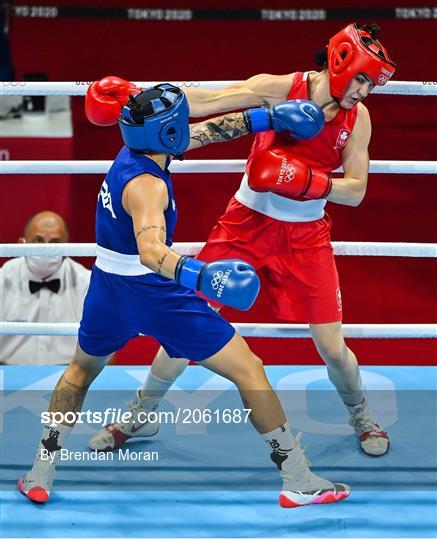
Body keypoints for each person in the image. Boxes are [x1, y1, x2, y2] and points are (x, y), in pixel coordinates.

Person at [18, 80, 349, 508]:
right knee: (248, 369)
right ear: (166, 133)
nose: (188, 122)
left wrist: (268, 118)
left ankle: (40, 472)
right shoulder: (149, 187)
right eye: (179, 120)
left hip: (107, 287)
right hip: (154, 290)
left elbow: (207, 131)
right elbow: (152, 251)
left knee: (81, 371)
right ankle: (298, 478)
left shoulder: (138, 151)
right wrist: (201, 276)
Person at [90, 23, 394, 457]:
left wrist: (304, 180)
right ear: (341, 63)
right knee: (187, 324)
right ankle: (141, 413)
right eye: (363, 78)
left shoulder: (357, 119)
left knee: (331, 344)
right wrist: (139, 97)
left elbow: (357, 189)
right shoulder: (280, 88)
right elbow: (210, 101)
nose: (365, 91)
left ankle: (361, 414)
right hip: (245, 224)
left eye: (371, 83)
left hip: (307, 234)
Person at [0, 211, 90, 364]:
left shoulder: (87, 283)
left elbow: (106, 349)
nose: (46, 249)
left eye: (55, 243)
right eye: (38, 241)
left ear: (68, 248)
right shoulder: (3, 279)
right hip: (6, 375)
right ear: (21, 244)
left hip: (72, 376)